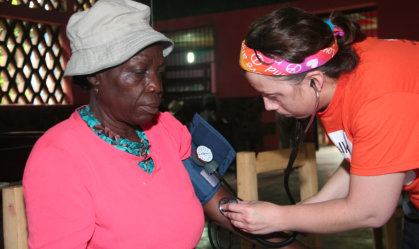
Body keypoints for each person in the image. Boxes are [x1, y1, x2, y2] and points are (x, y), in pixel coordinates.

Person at [22, 0, 307, 248]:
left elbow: (223, 206)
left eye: (159, 72)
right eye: (138, 72)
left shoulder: (166, 130)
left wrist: (287, 244)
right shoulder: (59, 158)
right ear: (95, 76)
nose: (156, 86)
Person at [222, 6, 419, 249]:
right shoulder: (338, 69)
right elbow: (364, 160)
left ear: (314, 81)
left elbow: (371, 210)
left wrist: (278, 217)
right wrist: (304, 211)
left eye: (273, 95)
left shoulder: (377, 99)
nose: (268, 106)